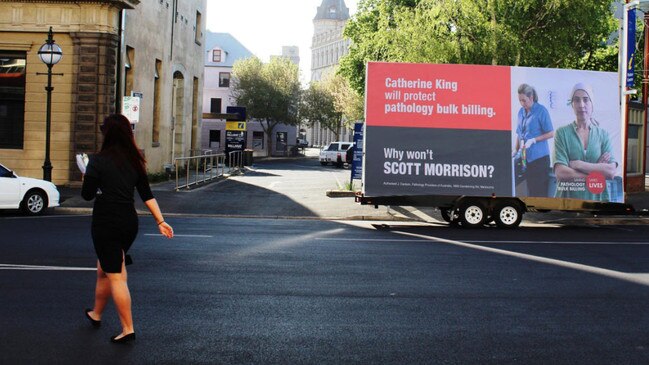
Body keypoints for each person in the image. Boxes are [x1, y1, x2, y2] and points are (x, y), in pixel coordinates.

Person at [82, 114, 174, 344]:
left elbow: (87, 195)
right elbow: (147, 195)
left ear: (107, 133)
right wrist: (160, 221)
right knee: (105, 269)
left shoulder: (97, 160)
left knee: (116, 276)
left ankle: (128, 328)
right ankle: (96, 313)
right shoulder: (136, 160)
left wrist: (87, 175)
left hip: (106, 222)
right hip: (128, 222)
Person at [553, 83, 617, 201]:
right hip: (567, 200)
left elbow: (611, 172)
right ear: (572, 104)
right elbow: (561, 173)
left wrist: (579, 165)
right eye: (576, 100)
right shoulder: (562, 133)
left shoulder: (603, 135)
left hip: (598, 199)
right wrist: (597, 172)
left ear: (592, 104)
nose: (581, 105)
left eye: (586, 100)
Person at [513, 84, 555, 197]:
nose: (522, 103)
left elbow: (551, 133)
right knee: (530, 190)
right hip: (526, 159)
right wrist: (515, 150)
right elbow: (519, 133)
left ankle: (539, 214)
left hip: (539, 160)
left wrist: (534, 140)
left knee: (539, 192)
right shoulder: (521, 112)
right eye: (520, 100)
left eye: (524, 100)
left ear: (531, 97)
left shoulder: (541, 111)